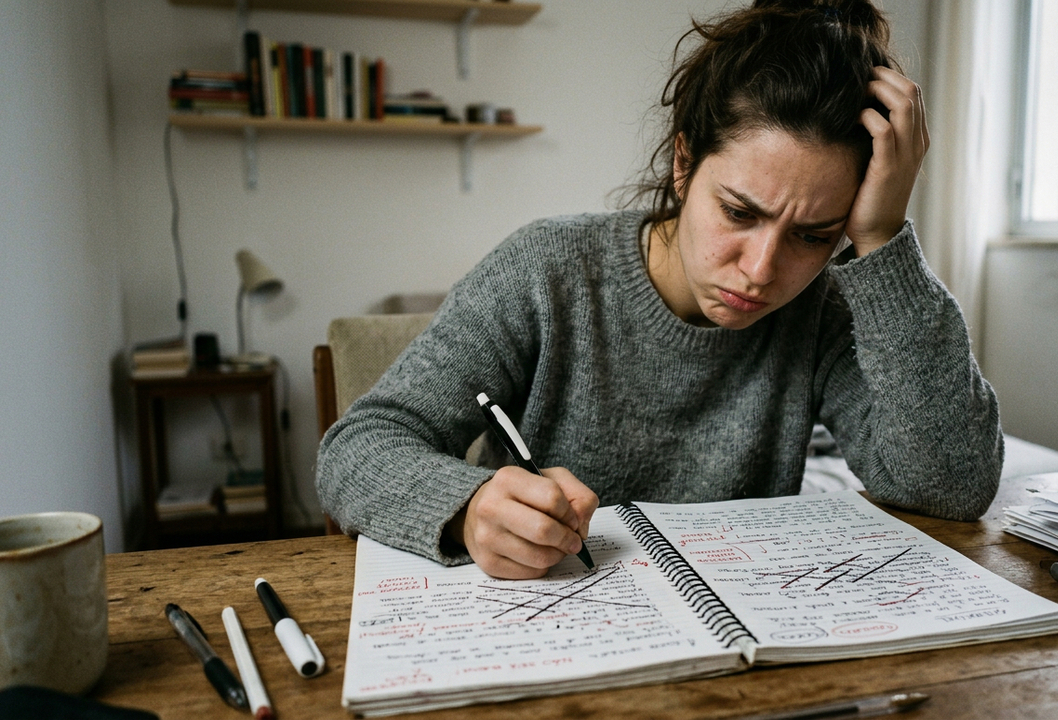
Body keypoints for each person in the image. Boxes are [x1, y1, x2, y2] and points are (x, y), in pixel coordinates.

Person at [316, 0, 1003, 580]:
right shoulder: (546, 270)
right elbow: (357, 447)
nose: (762, 270)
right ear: (683, 167)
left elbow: (949, 487)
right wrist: (468, 507)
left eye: (813, 236)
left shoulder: (825, 310)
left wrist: (883, 241)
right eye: (739, 212)